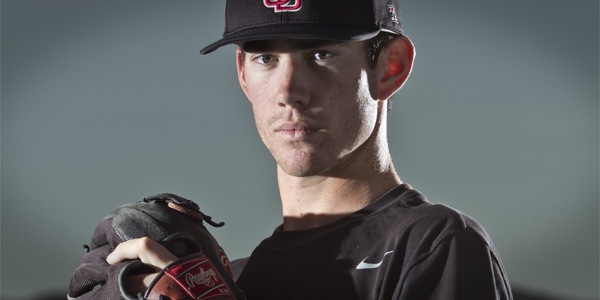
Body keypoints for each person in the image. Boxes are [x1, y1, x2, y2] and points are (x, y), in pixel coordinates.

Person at [107, 0, 513, 299]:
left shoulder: (433, 245)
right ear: (243, 76)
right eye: (265, 58)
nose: (288, 92)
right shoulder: (227, 282)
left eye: (321, 54)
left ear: (390, 67)